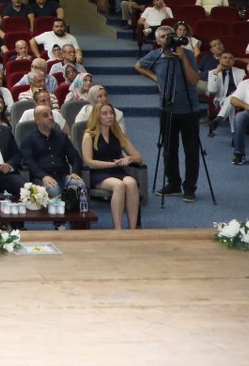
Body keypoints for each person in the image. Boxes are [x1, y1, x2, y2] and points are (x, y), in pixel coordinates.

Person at [135, 26, 202, 202]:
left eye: (169, 35)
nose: (167, 39)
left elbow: (194, 80)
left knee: (191, 151)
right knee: (169, 149)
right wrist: (156, 79)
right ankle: (173, 184)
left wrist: (182, 58)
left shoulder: (186, 54)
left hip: (189, 109)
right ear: (158, 41)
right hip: (167, 109)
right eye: (163, 37)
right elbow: (138, 66)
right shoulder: (156, 55)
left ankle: (189, 188)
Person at [81, 103, 144, 230]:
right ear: (97, 117)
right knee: (119, 186)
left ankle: (133, 228)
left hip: (117, 170)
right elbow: (88, 161)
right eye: (105, 114)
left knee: (131, 183)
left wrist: (129, 158)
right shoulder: (89, 135)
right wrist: (111, 164)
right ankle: (118, 228)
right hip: (98, 172)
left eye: (111, 113)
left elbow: (139, 157)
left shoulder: (117, 133)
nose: (109, 116)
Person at [19, 104, 86, 202]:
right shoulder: (29, 140)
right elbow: (29, 162)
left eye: (51, 114)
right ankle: (59, 216)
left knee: (79, 185)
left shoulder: (62, 136)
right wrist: (43, 176)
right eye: (45, 116)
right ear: (37, 121)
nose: (50, 117)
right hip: (41, 178)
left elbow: (75, 157)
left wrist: (75, 172)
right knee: (53, 190)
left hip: (63, 176)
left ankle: (77, 216)